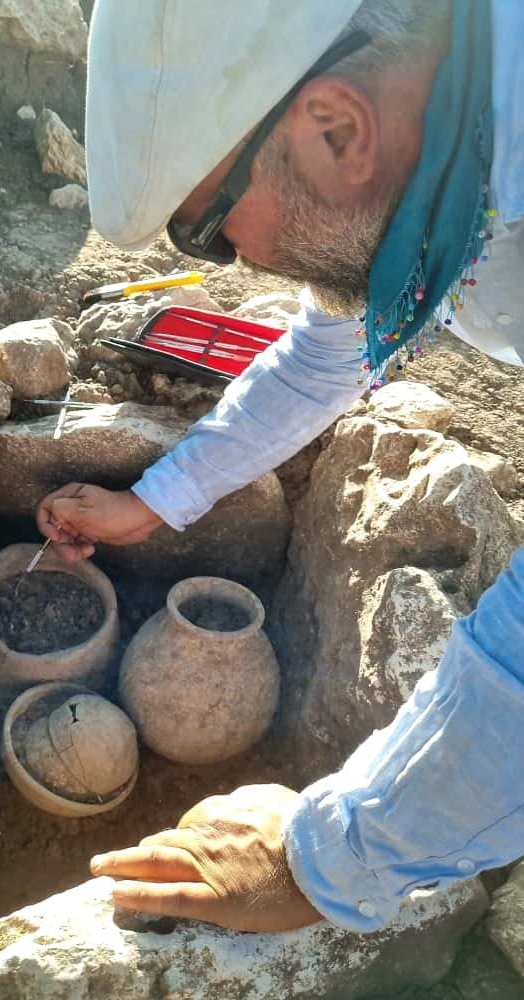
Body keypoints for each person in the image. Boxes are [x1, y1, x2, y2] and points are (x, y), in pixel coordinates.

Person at [36, 0, 524, 934]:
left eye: (209, 231)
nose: (238, 264)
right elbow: (323, 353)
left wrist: (333, 855)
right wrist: (154, 500)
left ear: (336, 126)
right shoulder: (431, 155)